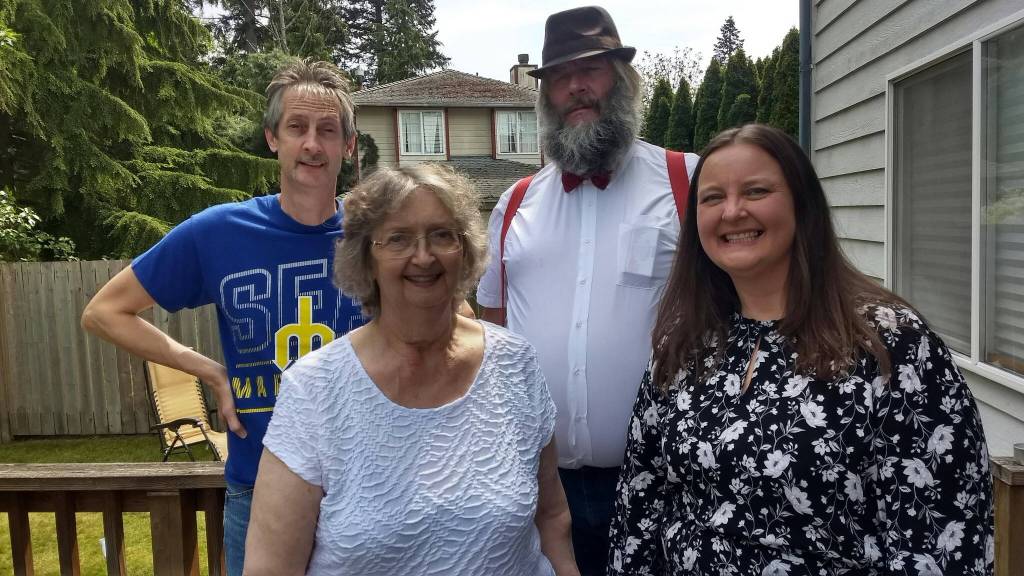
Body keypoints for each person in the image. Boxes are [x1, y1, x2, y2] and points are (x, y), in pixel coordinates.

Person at [607, 124, 994, 575]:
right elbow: (641, 502)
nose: (732, 212)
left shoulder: (889, 344)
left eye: (756, 191)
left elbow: (943, 537)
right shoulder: (686, 343)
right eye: (712, 198)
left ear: (801, 205)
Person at [80, 59, 365, 576]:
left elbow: (450, 321)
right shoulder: (217, 233)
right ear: (272, 138)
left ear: (347, 145)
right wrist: (209, 371)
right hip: (259, 484)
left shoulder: (375, 235)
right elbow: (104, 313)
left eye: (328, 131)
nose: (312, 145)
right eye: (297, 128)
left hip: (367, 485)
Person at [243, 164, 578, 576]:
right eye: (398, 239)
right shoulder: (314, 389)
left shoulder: (515, 364)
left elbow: (552, 518)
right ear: (366, 258)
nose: (424, 256)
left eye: (441, 235)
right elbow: (270, 568)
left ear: (465, 250)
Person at [476, 6, 698, 572]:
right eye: (559, 76)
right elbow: (490, 334)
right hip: (538, 487)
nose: (576, 87)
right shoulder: (514, 204)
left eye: (592, 69)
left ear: (622, 79)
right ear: (545, 95)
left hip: (665, 482)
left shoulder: (689, 183)